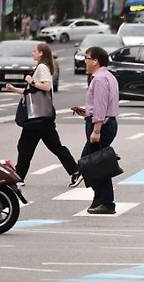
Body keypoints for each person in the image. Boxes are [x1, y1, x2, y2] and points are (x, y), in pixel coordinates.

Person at [4, 43, 81, 187]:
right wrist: (14, 89)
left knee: (25, 147)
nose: (32, 53)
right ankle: (75, 171)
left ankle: (19, 178)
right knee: (54, 147)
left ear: (41, 53)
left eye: (35, 51)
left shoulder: (42, 67)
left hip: (37, 118)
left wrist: (31, 81)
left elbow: (47, 87)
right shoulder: (40, 67)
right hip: (42, 118)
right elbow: (33, 93)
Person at [73, 47, 120, 214]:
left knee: (93, 164)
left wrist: (97, 129)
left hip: (102, 125)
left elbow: (101, 106)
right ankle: (100, 199)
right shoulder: (108, 76)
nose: (85, 61)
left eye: (87, 58)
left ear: (95, 61)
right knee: (95, 163)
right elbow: (102, 104)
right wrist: (86, 111)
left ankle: (106, 202)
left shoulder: (99, 79)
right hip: (107, 122)